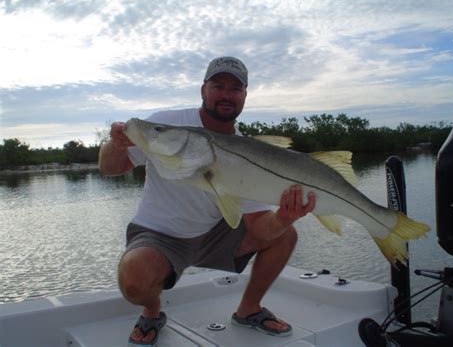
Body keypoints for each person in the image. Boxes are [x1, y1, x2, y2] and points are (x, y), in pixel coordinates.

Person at [98, 56, 316, 346]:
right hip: (160, 235)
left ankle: (248, 309)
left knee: (284, 235)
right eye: (218, 85)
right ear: (203, 90)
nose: (226, 94)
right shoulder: (166, 126)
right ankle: (152, 311)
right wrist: (116, 143)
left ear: (244, 97)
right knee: (134, 282)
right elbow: (110, 168)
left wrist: (283, 218)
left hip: (215, 233)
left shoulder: (249, 150)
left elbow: (259, 228)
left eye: (235, 89)